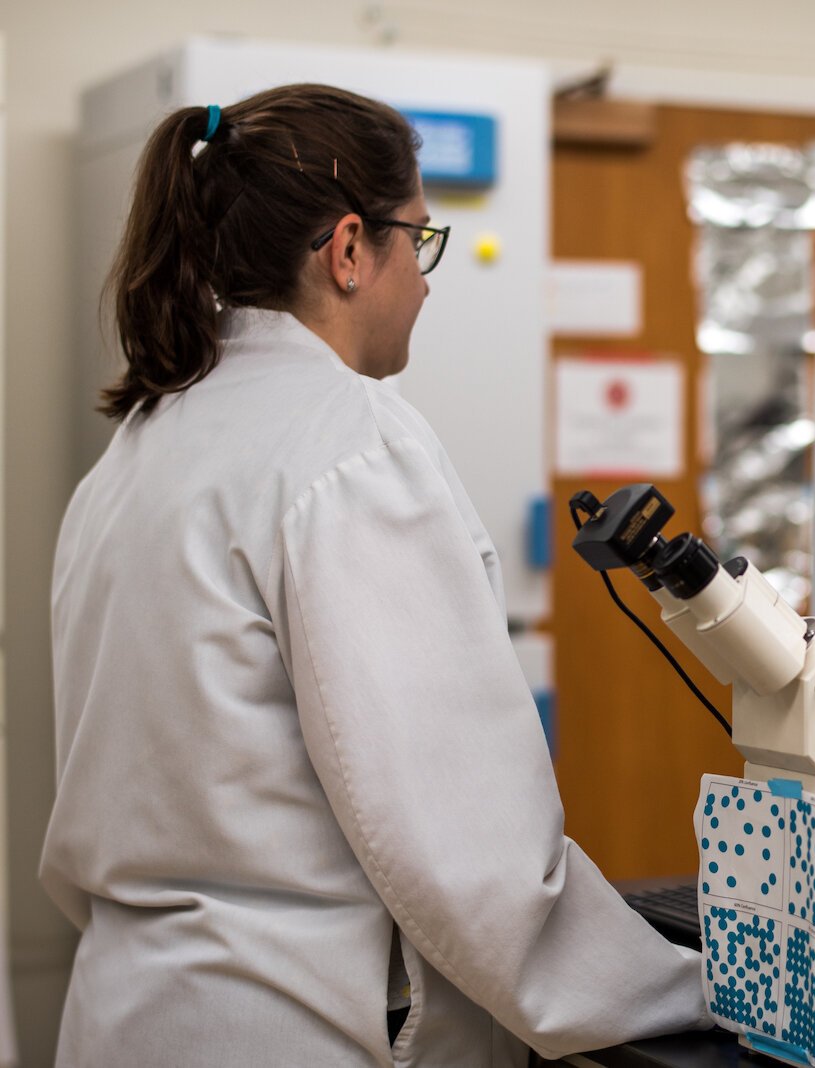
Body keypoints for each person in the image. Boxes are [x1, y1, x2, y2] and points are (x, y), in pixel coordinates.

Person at [42, 84, 710, 1066]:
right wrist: (699, 990)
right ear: (350, 251)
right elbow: (466, 859)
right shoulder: (349, 447)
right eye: (420, 242)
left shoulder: (143, 444)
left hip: (124, 1016)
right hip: (288, 1029)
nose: (428, 283)